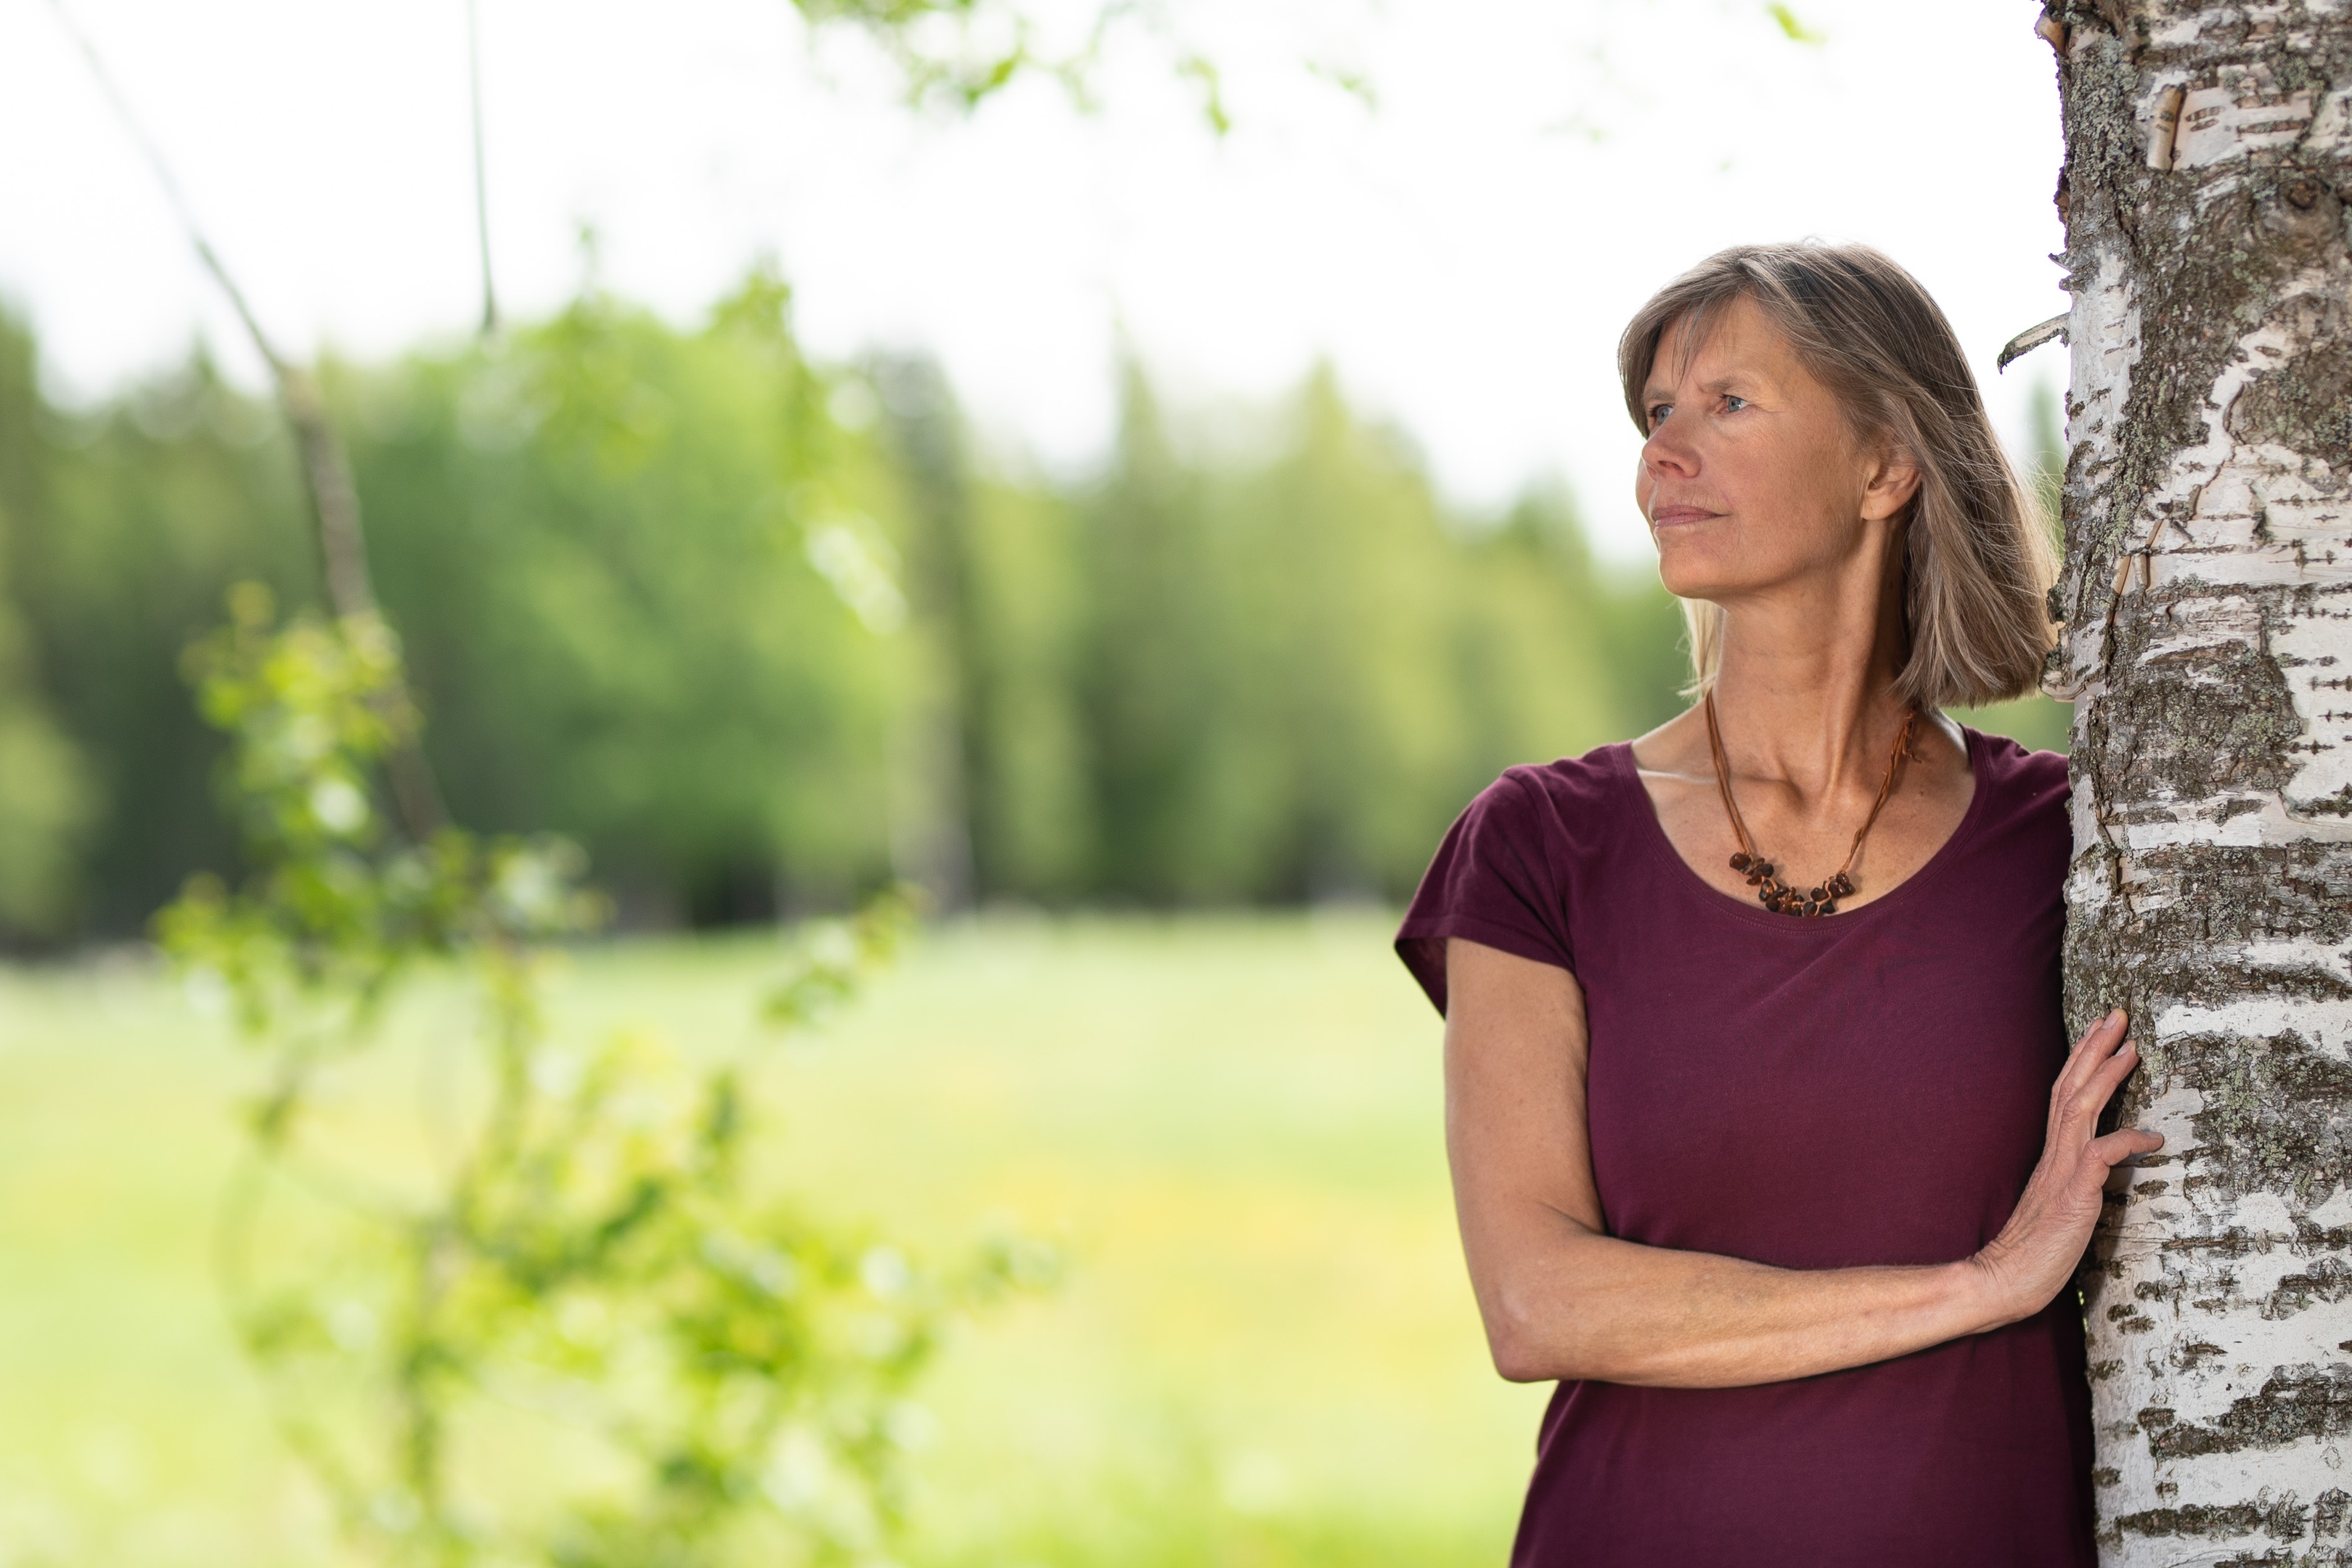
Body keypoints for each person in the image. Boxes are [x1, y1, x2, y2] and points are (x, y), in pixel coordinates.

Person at [1392, 242, 2159, 1566]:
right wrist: (1984, 1284)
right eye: (1656, 413)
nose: (1662, 454)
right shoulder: (1542, 844)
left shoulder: (2073, 842)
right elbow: (1535, 1303)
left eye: (1729, 403)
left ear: (1885, 466)